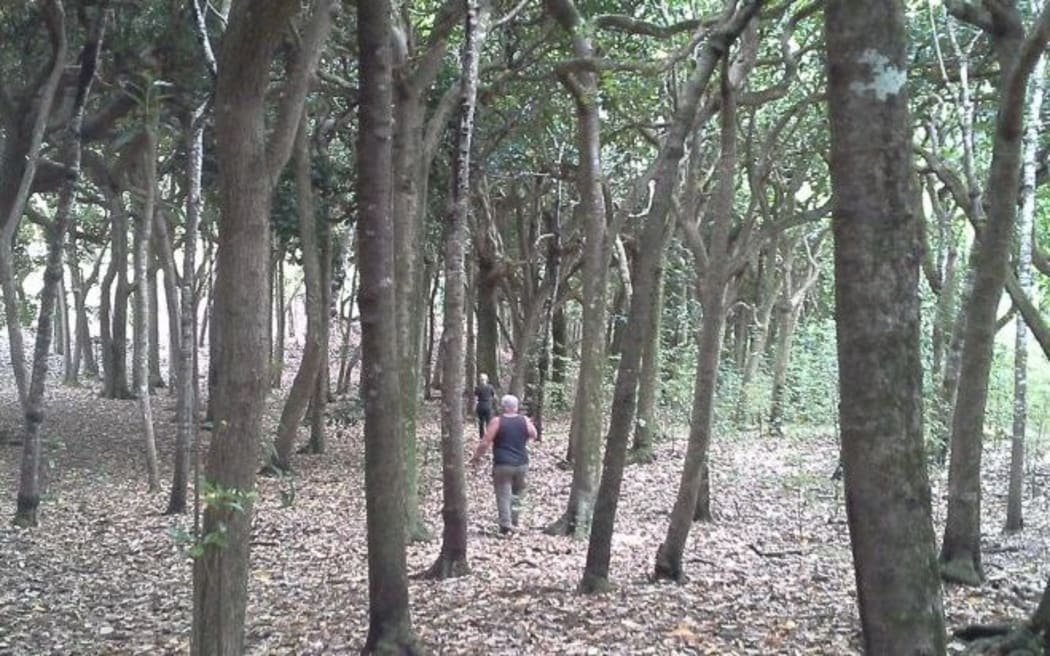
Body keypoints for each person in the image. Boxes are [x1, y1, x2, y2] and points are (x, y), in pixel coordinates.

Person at [469, 394, 538, 535]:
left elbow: (485, 442)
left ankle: (506, 524)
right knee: (517, 494)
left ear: (504, 407)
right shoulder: (524, 420)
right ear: (516, 407)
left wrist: (476, 457)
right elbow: (534, 434)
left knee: (503, 494)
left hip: (503, 464)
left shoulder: (497, 421)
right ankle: (515, 522)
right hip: (522, 463)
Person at [473, 373, 496, 438]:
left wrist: (474, 406)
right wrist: (494, 405)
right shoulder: (490, 387)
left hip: (480, 405)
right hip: (488, 405)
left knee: (481, 422)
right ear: (487, 379)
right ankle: (488, 436)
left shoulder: (478, 388)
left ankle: (481, 436)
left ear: (480, 380)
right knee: (488, 421)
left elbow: (476, 398)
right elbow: (494, 396)